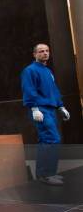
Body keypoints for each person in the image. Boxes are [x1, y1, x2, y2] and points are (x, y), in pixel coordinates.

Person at [21, 43, 70, 186]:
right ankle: (45, 174)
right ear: (34, 54)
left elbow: (53, 90)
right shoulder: (30, 70)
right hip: (41, 110)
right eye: (41, 51)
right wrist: (34, 108)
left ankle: (49, 173)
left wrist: (61, 106)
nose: (45, 53)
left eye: (47, 51)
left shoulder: (47, 71)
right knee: (50, 139)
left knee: (50, 140)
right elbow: (29, 90)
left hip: (50, 109)